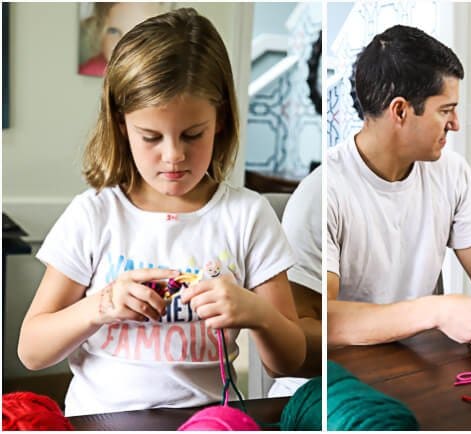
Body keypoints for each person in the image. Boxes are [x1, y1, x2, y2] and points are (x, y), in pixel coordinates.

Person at [18, 8, 305, 416]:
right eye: (150, 136)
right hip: (100, 421)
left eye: (193, 134)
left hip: (205, 421)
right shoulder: (95, 215)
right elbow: (31, 350)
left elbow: (289, 360)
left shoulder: (248, 215)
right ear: (122, 126)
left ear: (220, 120)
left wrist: (256, 313)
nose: (174, 156)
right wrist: (100, 306)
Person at [327, 25, 471, 347]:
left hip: (423, 357)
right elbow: (323, 319)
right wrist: (437, 311)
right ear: (400, 111)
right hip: (342, 374)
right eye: (446, 110)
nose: (456, 124)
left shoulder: (452, 172)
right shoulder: (326, 190)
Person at [268, 166, 322, 397]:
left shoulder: (443, 174)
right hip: (314, 395)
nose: (449, 126)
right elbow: (283, 356)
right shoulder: (319, 195)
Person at [78, 2, 169, 76]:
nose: (124, 45)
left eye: (139, 32)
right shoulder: (89, 71)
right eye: (113, 31)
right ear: (99, 32)